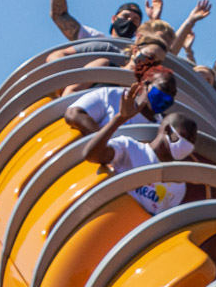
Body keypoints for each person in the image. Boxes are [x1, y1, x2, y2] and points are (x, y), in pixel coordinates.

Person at [82, 85, 198, 216]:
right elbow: (91, 155)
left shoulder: (179, 184)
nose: (188, 143)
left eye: (192, 141)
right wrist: (120, 118)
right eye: (186, 136)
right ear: (167, 130)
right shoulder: (129, 147)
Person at [63, 67, 178, 134]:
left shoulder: (162, 129)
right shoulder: (111, 96)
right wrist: (103, 143)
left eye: (172, 94)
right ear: (146, 84)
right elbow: (73, 114)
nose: (168, 96)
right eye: (164, 88)